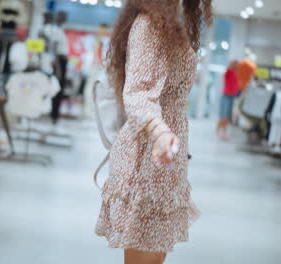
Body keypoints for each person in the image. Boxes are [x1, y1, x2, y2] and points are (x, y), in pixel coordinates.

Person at [95, 0, 213, 263]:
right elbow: (137, 93)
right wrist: (160, 132)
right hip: (146, 155)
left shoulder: (172, 21)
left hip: (165, 156)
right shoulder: (150, 23)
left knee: (154, 258)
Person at [217, 60, 239, 141]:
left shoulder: (236, 74)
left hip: (232, 97)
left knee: (227, 117)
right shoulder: (229, 72)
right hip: (226, 96)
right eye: (236, 64)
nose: (237, 66)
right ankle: (217, 132)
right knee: (222, 116)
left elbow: (236, 85)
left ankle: (224, 134)